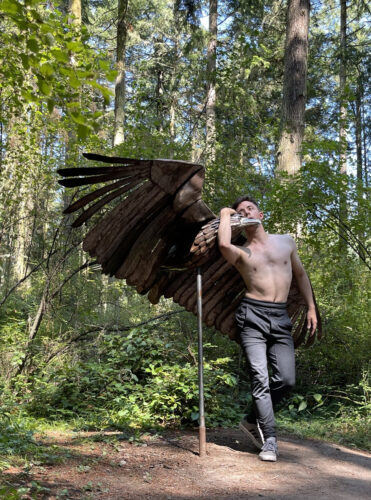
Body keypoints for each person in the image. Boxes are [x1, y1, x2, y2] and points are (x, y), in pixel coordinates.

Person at [218, 196, 317, 462]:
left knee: (286, 380)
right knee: (260, 379)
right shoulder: (242, 252)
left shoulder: (286, 242)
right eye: (241, 211)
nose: (246, 212)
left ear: (261, 214)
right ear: (240, 221)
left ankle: (251, 419)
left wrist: (311, 308)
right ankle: (270, 440)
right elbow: (224, 243)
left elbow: (300, 275)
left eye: (250, 208)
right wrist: (226, 215)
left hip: (280, 318)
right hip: (252, 317)